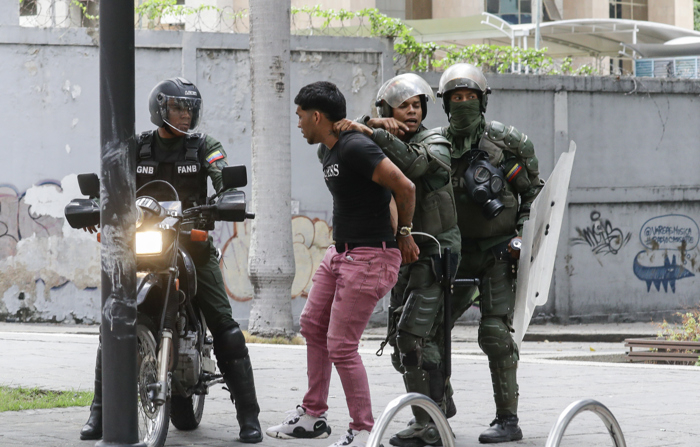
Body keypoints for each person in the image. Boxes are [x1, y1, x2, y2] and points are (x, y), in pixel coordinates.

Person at [79, 77, 263, 444]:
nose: (185, 115)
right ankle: (99, 412)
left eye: (190, 109)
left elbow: (221, 174)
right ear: (160, 110)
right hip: (144, 245)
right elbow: (111, 185)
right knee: (113, 321)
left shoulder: (203, 147)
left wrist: (228, 198)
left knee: (225, 327)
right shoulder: (137, 148)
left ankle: (248, 416)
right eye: (178, 108)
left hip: (192, 245)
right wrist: (96, 208)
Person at [265, 81, 417, 447]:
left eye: (300, 116)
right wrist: (369, 122)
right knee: (312, 325)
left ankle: (363, 429)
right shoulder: (332, 148)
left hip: (369, 257)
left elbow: (405, 187)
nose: (298, 123)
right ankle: (313, 414)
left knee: (342, 345)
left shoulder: (354, 147)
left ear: (317, 116)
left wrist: (405, 234)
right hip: (341, 254)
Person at [333, 73, 460, 447]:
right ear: (387, 110)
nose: (412, 111)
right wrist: (370, 124)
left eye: (417, 105)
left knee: (413, 338)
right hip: (402, 255)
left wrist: (377, 132)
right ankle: (437, 405)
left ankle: (429, 423)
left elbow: (417, 167)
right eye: (403, 106)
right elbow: (342, 141)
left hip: (436, 254)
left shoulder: (434, 142)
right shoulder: (377, 138)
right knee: (401, 345)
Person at [435, 63, 544, 444]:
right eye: (456, 98)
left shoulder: (504, 146)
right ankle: (435, 404)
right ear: (446, 104)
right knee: (430, 330)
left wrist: (522, 238)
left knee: (495, 333)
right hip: (454, 253)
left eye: (469, 97)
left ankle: (507, 419)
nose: (463, 104)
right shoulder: (436, 147)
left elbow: (533, 194)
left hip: (498, 252)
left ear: (482, 101)